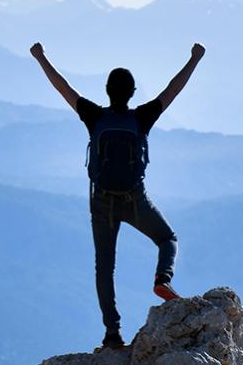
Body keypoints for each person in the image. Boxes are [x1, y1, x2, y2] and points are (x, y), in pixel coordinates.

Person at [30, 42, 206, 349]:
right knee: (167, 239)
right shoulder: (142, 118)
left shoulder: (93, 116)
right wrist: (194, 59)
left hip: (102, 202)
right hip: (135, 199)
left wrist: (40, 58)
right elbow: (171, 91)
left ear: (107, 90)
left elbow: (63, 88)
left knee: (105, 267)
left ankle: (113, 333)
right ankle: (162, 279)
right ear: (133, 92)